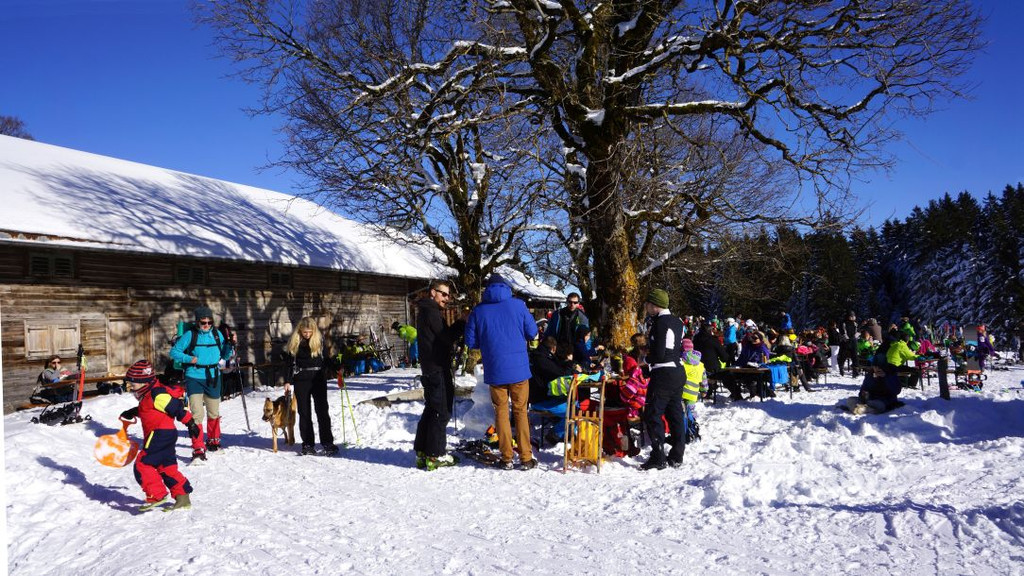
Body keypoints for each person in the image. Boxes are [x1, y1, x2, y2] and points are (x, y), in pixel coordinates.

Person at [465, 273, 539, 471]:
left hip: (495, 369)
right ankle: (526, 457)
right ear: (506, 287)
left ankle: (506, 458)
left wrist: (487, 343)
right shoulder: (519, 305)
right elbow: (532, 332)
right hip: (519, 371)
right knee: (521, 412)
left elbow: (470, 341)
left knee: (501, 412)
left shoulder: (478, 310)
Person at [119, 360, 200, 512]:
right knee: (167, 467)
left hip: (158, 435)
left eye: (133, 384)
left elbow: (175, 407)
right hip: (166, 435)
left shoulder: (157, 394)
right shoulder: (150, 394)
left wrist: (190, 423)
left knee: (143, 464)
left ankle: (156, 495)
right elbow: (150, 409)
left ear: (143, 382)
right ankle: (182, 497)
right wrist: (133, 412)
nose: (131, 387)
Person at [169, 305, 234, 462]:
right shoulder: (190, 335)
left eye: (209, 322)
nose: (206, 325)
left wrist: (230, 345)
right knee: (197, 414)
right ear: (197, 322)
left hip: (213, 376)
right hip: (194, 377)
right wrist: (189, 359)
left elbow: (225, 355)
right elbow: (174, 352)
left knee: (214, 412)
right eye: (203, 322)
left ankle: (213, 442)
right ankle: (198, 448)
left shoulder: (217, 334)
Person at [639, 288, 686, 471]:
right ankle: (677, 454)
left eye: (648, 304)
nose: (646, 307)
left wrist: (646, 359)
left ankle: (658, 456)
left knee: (653, 414)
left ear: (654, 305)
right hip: (677, 371)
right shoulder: (678, 321)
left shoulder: (659, 323)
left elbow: (659, 354)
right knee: (675, 413)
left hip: (663, 373)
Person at [414, 280, 458, 471]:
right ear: (433, 292)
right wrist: (462, 323)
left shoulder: (426, 310)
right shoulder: (431, 311)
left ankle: (422, 451)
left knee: (431, 409)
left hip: (431, 367)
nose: (446, 298)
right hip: (437, 368)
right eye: (444, 294)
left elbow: (440, 338)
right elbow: (446, 337)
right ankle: (435, 454)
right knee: (441, 411)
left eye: (448, 295)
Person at [282, 317, 338, 456]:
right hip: (301, 380)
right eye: (304, 332)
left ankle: (327, 442)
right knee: (304, 412)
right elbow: (289, 364)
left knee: (322, 411)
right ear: (300, 331)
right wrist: (287, 381)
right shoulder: (295, 342)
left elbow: (327, 360)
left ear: (314, 331)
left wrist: (337, 368)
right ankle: (307, 443)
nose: (307, 334)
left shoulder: (320, 341)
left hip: (318, 379)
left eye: (309, 332)